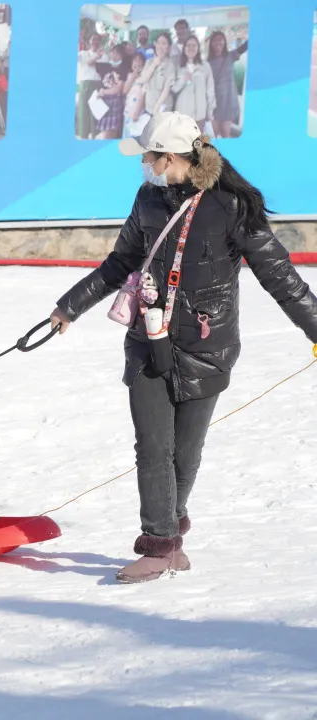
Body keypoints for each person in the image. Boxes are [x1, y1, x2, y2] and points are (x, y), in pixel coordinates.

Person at [49, 112, 317, 584]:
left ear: (169, 157)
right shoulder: (148, 199)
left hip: (206, 348)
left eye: (148, 157)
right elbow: (121, 262)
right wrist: (69, 306)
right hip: (148, 343)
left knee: (185, 454)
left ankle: (172, 536)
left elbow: (281, 276)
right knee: (154, 448)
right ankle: (158, 543)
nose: (144, 165)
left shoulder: (231, 205)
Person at [207, 31, 247, 139]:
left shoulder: (230, 56)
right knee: (214, 135)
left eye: (221, 39)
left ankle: (226, 156)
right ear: (211, 44)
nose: (218, 42)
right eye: (215, 40)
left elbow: (245, 46)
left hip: (228, 102)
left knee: (225, 133)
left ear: (224, 42)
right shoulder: (207, 62)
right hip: (214, 104)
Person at [172, 35, 215, 133]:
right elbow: (173, 89)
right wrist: (183, 79)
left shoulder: (205, 66)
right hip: (182, 115)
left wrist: (210, 111)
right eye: (188, 45)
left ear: (198, 48)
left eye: (194, 45)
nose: (191, 48)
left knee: (196, 144)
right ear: (184, 48)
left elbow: (210, 89)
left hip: (200, 115)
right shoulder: (178, 66)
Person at [141, 33, 177, 118]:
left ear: (169, 47)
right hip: (149, 108)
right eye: (158, 43)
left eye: (164, 43)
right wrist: (154, 64)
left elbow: (166, 90)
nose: (160, 46)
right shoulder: (149, 62)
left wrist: (156, 109)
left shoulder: (170, 65)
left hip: (163, 109)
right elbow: (143, 79)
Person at [77, 34, 105, 139]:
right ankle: (83, 135)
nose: (95, 42)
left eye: (98, 40)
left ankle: (95, 135)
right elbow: (88, 62)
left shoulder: (104, 55)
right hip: (85, 85)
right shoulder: (83, 54)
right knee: (84, 111)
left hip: (98, 85)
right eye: (93, 39)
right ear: (89, 41)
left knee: (96, 111)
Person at [122, 52, 147, 139]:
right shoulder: (130, 76)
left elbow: (144, 95)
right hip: (128, 113)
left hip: (139, 114)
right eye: (135, 61)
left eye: (140, 61)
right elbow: (125, 90)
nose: (137, 63)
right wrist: (132, 77)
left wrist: (136, 113)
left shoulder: (145, 77)